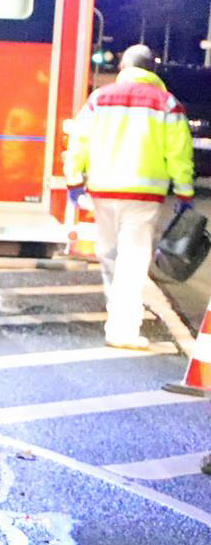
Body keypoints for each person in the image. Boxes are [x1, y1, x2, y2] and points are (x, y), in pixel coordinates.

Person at [62, 44, 194, 350]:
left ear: (124, 68)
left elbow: (80, 141)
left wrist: (73, 180)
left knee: (109, 255)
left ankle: (118, 316)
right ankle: (123, 328)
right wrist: (184, 191)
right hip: (143, 195)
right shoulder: (167, 104)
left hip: (102, 190)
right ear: (152, 71)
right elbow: (179, 153)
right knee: (133, 261)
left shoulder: (99, 99)